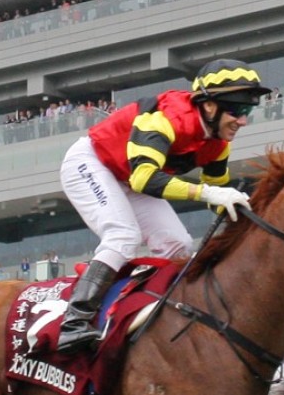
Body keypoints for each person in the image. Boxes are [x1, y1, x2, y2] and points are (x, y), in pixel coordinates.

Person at [56, 58, 270, 352]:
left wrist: (251, 213)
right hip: (93, 163)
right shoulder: (166, 118)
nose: (243, 120)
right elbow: (146, 179)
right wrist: (209, 194)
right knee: (123, 235)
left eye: (248, 111)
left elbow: (218, 195)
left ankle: (161, 321)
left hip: (129, 177)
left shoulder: (219, 142)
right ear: (209, 106)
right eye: (237, 110)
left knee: (180, 245)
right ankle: (74, 322)